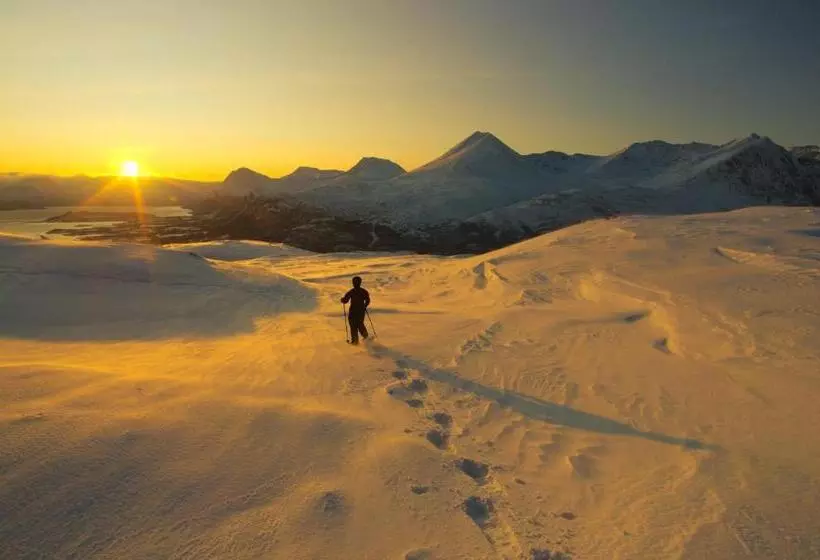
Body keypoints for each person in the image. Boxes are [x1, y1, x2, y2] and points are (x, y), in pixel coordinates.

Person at [340, 276, 370, 344]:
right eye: (354, 282)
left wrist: (343, 300)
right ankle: (363, 338)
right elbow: (367, 300)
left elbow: (345, 300)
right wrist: (364, 306)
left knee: (356, 325)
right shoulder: (363, 291)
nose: (354, 283)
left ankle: (357, 341)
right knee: (358, 324)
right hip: (358, 311)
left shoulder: (352, 291)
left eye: (355, 282)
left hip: (355, 311)